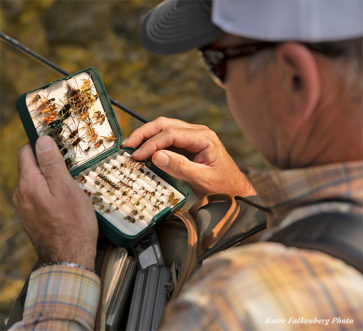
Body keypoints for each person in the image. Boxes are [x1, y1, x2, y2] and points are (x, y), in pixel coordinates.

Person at [9, 0, 363, 330]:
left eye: (216, 61)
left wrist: (65, 259)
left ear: (296, 78)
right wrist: (245, 199)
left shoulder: (231, 306)